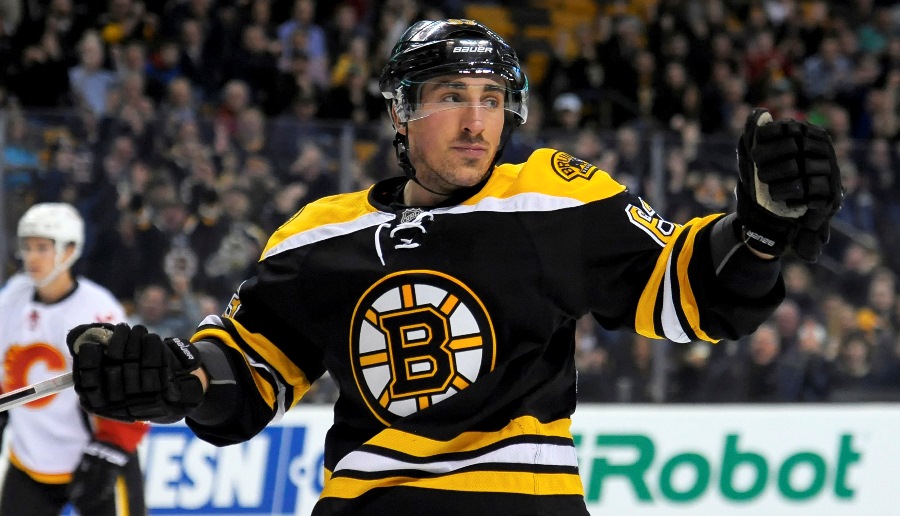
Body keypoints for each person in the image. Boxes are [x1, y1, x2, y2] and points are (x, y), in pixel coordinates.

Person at [64, 19, 843, 516]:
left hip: (520, 505)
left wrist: (761, 231)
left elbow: (691, 294)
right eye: (449, 95)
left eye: (492, 97)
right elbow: (244, 377)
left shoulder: (550, 195)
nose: (478, 121)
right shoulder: (317, 234)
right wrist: (174, 381)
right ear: (401, 110)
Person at [0, 203, 148, 515]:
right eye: (27, 247)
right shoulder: (12, 296)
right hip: (29, 461)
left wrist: (111, 447)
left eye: (43, 247)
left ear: (69, 251)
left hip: (95, 457)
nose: (32, 257)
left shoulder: (97, 310)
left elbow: (134, 385)